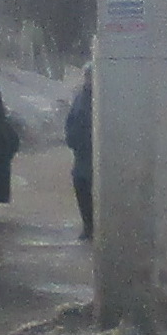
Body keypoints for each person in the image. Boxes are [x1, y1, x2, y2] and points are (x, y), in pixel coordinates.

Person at [65, 74, 96, 241]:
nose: (88, 80)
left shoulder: (106, 97)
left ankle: (97, 227)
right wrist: (72, 140)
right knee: (82, 185)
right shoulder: (81, 97)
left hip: (99, 154)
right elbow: (71, 121)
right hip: (83, 154)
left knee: (95, 188)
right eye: (87, 77)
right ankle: (89, 226)